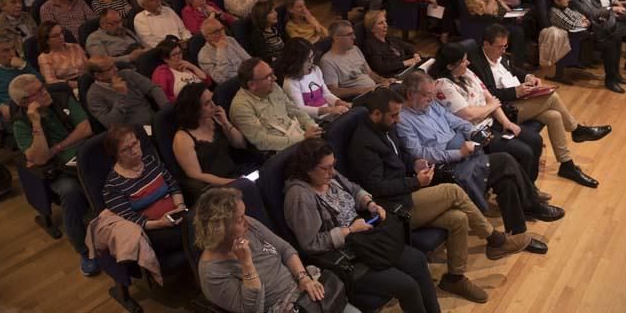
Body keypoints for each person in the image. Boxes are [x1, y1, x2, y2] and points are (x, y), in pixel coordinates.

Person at [349, 88, 532, 300]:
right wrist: (414, 181)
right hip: (391, 209)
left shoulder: (385, 127)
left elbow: (400, 158)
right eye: (394, 115)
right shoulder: (363, 144)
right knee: (453, 191)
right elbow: (378, 188)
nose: (398, 120)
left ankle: (454, 278)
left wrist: (415, 163)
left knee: (459, 219)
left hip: (406, 193)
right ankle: (496, 240)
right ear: (375, 114)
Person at [396, 71, 564, 242]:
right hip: (448, 166)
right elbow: (421, 154)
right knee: (505, 160)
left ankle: (518, 235)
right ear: (410, 94)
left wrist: (474, 132)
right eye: (426, 95)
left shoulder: (430, 105)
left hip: (466, 151)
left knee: (506, 181)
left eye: (432, 95)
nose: (431, 99)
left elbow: (455, 121)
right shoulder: (403, 120)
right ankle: (532, 205)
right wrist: (458, 153)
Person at [284, 139, 441, 313]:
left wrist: (370, 204)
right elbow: (311, 243)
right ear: (308, 168)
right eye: (325, 168)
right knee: (407, 286)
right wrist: (349, 231)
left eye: (333, 165)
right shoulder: (299, 196)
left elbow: (354, 189)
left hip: (367, 240)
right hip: (349, 257)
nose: (332, 172)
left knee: (418, 261)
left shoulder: (330, 176)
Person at [468, 24, 609, 187]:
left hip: (518, 101)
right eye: (500, 47)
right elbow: (489, 95)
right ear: (486, 44)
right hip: (503, 110)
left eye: (505, 46)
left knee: (554, 116)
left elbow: (513, 70)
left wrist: (528, 77)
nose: (503, 50)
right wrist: (515, 92)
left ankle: (567, 165)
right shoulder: (476, 64)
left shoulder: (500, 56)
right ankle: (577, 130)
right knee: (552, 97)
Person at [8, 74, 98, 275]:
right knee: (70, 191)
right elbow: (39, 158)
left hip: (83, 152)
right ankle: (83, 249)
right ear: (24, 103)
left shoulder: (61, 97)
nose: (45, 92)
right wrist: (36, 123)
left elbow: (85, 129)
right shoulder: (21, 124)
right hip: (59, 170)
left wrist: (56, 147)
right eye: (37, 92)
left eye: (43, 87)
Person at [195, 187, 332, 313]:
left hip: (300, 288)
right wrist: (246, 264)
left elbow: (285, 249)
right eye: (239, 219)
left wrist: (304, 279)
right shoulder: (212, 272)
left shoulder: (248, 226)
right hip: (278, 307)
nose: (247, 221)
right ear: (219, 229)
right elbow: (252, 309)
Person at [430, 43, 544, 184]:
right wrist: (490, 106)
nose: (468, 63)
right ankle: (525, 194)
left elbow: (490, 97)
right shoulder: (442, 86)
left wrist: (506, 122)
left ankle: (530, 187)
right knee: (524, 152)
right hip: (477, 133)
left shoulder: (467, 73)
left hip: (493, 121)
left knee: (535, 140)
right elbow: (469, 114)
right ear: (450, 66)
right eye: (464, 61)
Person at [102, 125, 188, 258]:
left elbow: (173, 186)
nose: (134, 150)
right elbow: (130, 220)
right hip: (152, 230)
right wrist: (160, 223)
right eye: (126, 149)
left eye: (135, 143)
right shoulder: (113, 185)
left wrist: (180, 208)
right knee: (194, 234)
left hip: (176, 215)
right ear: (116, 155)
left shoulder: (151, 161)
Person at [173, 83, 251, 199]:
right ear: (194, 109)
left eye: (212, 100)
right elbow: (196, 175)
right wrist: (231, 182)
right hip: (216, 187)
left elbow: (240, 144)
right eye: (207, 103)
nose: (213, 105)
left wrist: (225, 123)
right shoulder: (182, 138)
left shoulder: (214, 119)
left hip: (235, 173)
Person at [230, 58, 321, 153]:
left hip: (300, 137)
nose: (275, 78)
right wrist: (302, 138)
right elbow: (263, 142)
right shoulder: (241, 108)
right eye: (268, 77)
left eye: (272, 73)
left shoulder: (274, 87)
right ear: (252, 85)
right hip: (281, 152)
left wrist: (311, 126)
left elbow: (295, 111)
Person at [278, 37, 350, 123]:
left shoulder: (316, 70)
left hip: (329, 115)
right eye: (307, 60)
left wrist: (338, 102)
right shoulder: (291, 82)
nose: (311, 62)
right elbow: (300, 109)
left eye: (312, 58)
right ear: (295, 62)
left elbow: (326, 94)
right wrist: (329, 110)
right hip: (314, 122)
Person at [85, 56, 168, 128]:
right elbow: (111, 124)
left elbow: (153, 88)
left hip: (154, 120)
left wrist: (166, 108)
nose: (116, 69)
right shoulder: (93, 96)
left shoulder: (127, 74)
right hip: (133, 132)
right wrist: (121, 96)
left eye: (114, 65)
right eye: (110, 68)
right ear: (97, 75)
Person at [319, 20, 393, 100]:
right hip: (358, 98)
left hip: (374, 92)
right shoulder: (327, 61)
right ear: (336, 38)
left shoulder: (355, 49)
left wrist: (384, 81)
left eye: (353, 33)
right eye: (349, 35)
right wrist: (363, 91)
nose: (354, 37)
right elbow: (333, 91)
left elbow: (370, 73)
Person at [362, 10, 421, 78]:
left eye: (385, 21)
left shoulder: (388, 37)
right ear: (372, 28)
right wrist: (405, 63)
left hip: (406, 68)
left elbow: (409, 46)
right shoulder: (371, 44)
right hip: (394, 75)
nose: (386, 25)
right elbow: (381, 67)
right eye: (381, 23)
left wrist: (416, 55)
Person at [152, 37, 210, 103]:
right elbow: (164, 98)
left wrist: (193, 67)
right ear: (165, 59)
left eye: (179, 53)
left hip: (205, 97)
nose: (179, 57)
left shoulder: (186, 64)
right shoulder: (162, 73)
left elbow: (207, 82)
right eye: (174, 55)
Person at [198, 17, 251, 84]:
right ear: (206, 37)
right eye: (216, 31)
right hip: (234, 83)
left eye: (222, 29)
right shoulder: (203, 56)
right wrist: (221, 50)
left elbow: (248, 60)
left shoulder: (230, 40)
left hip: (248, 76)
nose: (222, 33)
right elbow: (221, 79)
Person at [37, 21, 88, 89]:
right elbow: (51, 81)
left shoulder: (75, 47)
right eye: (55, 36)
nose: (61, 37)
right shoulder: (45, 57)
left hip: (86, 81)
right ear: (46, 40)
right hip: (68, 88)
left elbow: (88, 67)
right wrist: (72, 84)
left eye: (61, 33)